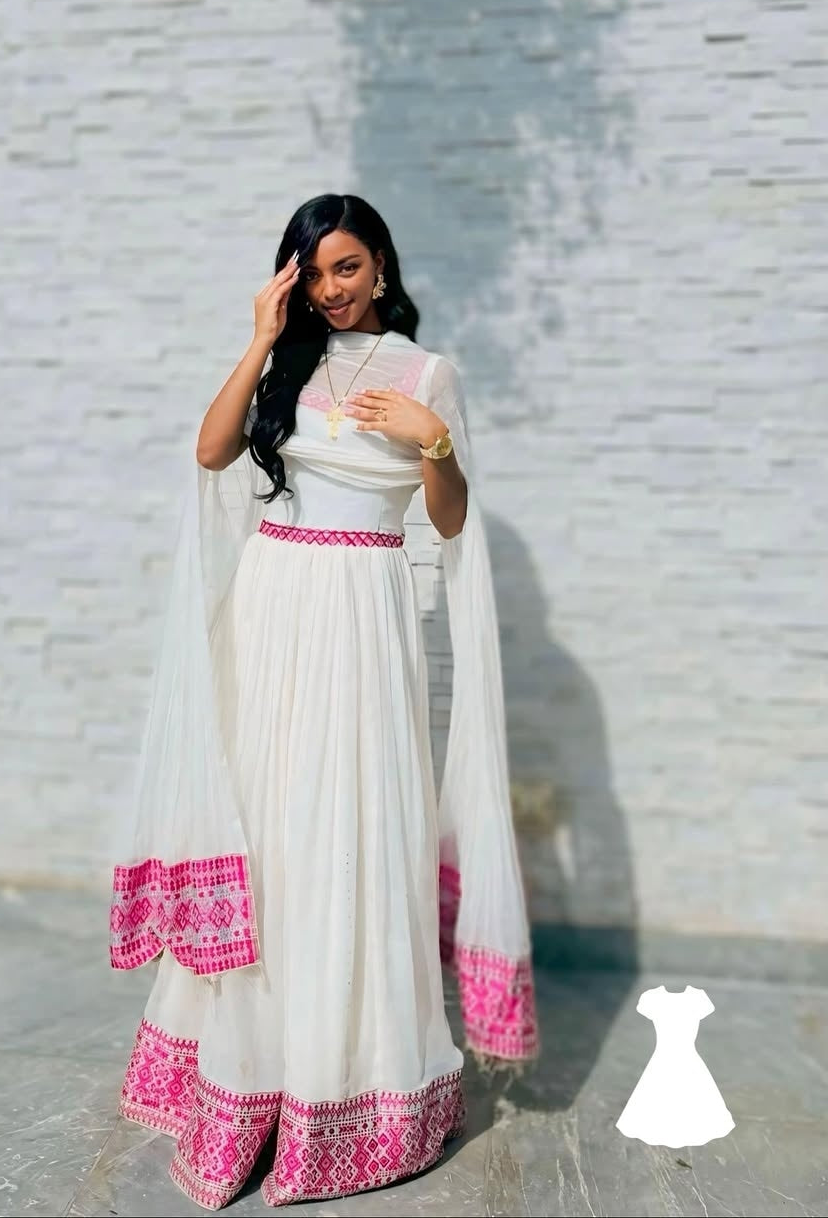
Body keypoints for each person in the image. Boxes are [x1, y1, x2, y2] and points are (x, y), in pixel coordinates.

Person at [109, 194, 540, 1210]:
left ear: (381, 264)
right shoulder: (287, 361)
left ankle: (342, 1083)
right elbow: (211, 453)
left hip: (361, 614)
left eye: (346, 267)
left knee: (346, 829)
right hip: (274, 604)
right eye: (312, 272)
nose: (331, 288)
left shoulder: (427, 374)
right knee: (268, 827)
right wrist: (262, 338)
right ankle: (245, 1072)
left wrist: (435, 442)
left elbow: (450, 522)